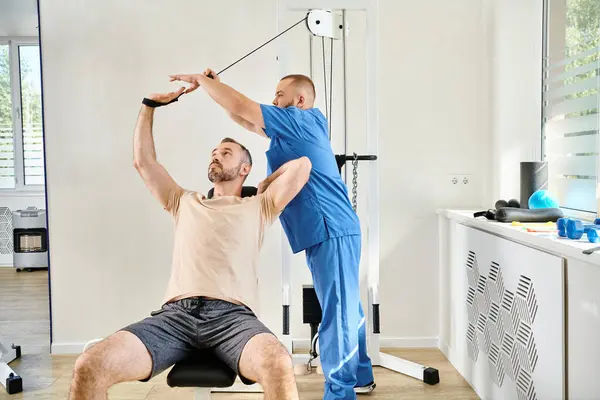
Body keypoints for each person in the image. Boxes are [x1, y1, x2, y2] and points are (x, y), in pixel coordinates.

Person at [67, 87, 313, 400]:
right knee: (90, 364)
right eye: (214, 152)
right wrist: (149, 106)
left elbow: (303, 165)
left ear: (244, 169)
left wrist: (265, 184)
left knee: (278, 364)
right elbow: (144, 162)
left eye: (226, 153)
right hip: (175, 318)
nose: (216, 155)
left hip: (234, 319)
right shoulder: (183, 201)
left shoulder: (260, 207)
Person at [169, 70, 375, 400]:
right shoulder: (291, 130)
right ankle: (361, 374)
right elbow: (243, 118)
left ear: (300, 100)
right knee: (346, 305)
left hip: (331, 229)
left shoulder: (300, 120)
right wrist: (214, 86)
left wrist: (203, 81)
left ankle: (341, 393)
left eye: (280, 94)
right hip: (325, 231)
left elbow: (242, 105)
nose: (275, 99)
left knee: (338, 314)